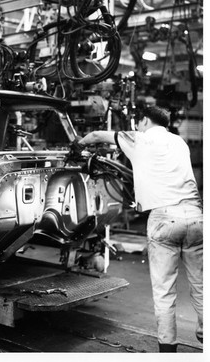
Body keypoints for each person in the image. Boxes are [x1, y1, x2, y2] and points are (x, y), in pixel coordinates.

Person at [78, 105, 203, 353]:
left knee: (164, 291)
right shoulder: (179, 142)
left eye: (138, 122)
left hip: (164, 218)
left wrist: (76, 145)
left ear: (144, 120)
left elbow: (95, 137)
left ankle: (168, 350)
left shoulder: (139, 139)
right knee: (201, 286)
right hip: (196, 217)